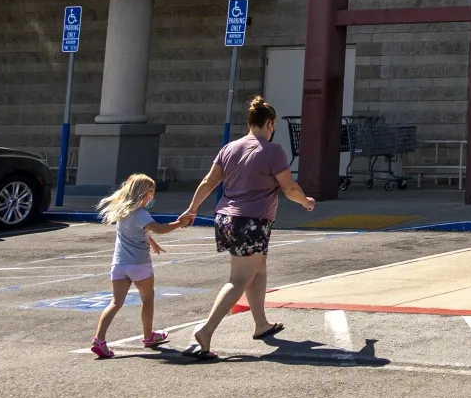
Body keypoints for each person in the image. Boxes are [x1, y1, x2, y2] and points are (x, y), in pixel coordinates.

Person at [176, 95, 314, 360]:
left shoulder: (229, 148)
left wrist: (192, 209)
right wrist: (306, 202)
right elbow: (289, 188)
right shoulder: (272, 151)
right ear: (270, 124)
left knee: (258, 269)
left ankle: (261, 324)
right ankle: (205, 331)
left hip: (226, 219)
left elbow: (208, 181)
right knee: (239, 279)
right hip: (252, 221)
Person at [90, 173, 190, 359]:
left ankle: (99, 339)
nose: (151, 197)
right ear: (143, 193)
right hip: (139, 265)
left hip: (119, 264)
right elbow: (160, 228)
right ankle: (148, 336)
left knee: (115, 302)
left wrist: (152, 243)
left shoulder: (122, 212)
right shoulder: (141, 214)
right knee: (147, 298)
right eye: (150, 193)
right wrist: (179, 223)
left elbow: (138, 231)